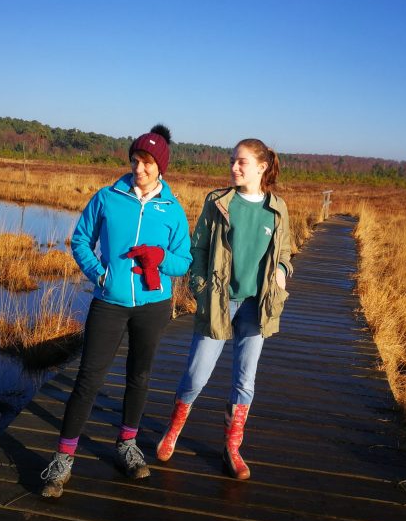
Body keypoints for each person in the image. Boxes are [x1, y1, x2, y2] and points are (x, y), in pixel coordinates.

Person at [40, 124, 192, 498]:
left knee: (139, 377)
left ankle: (126, 444)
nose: (138, 168)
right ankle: (63, 459)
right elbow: (80, 241)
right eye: (135, 160)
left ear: (161, 168)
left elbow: (184, 261)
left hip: (153, 306)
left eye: (146, 162)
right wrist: (100, 274)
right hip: (109, 302)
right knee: (88, 379)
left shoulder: (172, 210)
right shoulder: (108, 198)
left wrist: (161, 258)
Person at [156, 138, 292, 480]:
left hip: (256, 305)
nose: (233, 167)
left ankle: (232, 448)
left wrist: (281, 272)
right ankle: (173, 431)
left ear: (261, 167)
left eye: (241, 162)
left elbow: (285, 253)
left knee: (246, 379)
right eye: (232, 160)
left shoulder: (277, 208)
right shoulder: (217, 202)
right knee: (197, 373)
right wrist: (200, 287)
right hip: (218, 300)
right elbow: (198, 248)